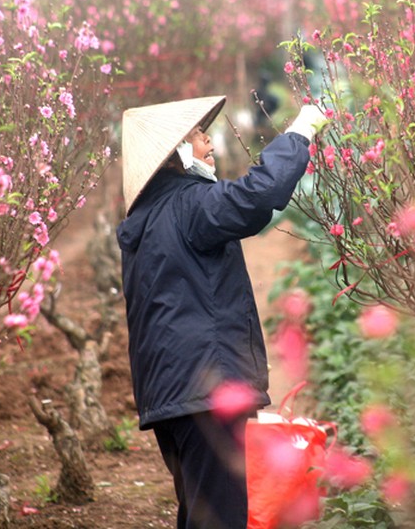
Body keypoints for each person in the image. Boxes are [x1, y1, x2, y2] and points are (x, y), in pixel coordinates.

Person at [116, 95, 325, 528]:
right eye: (196, 135)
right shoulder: (188, 206)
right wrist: (300, 133)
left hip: (170, 395)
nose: (208, 139)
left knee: (199, 509)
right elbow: (259, 195)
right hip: (204, 390)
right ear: (176, 153)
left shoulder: (147, 220)